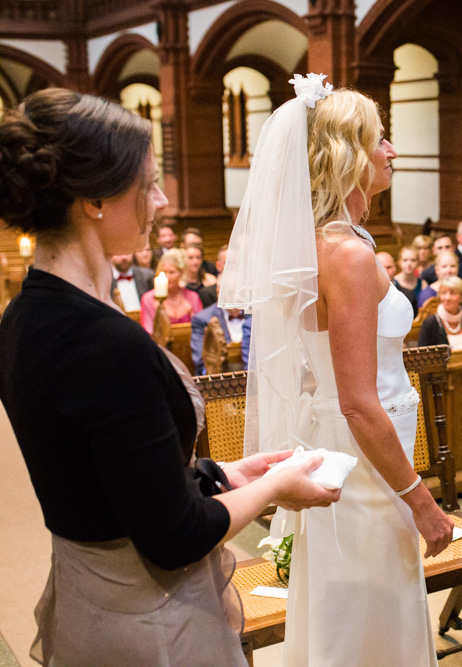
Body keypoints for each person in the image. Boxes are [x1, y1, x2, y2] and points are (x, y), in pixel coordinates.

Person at [0, 87, 340, 666]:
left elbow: (104, 475)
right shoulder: (103, 344)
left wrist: (223, 472)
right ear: (96, 199)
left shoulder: (24, 314)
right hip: (148, 621)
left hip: (87, 596)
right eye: (148, 182)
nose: (159, 199)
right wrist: (274, 489)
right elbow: (174, 537)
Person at [219, 74, 453, 665]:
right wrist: (421, 501)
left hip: (355, 447)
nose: (392, 151)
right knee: (368, 612)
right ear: (348, 154)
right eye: (381, 139)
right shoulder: (347, 252)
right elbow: (357, 400)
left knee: (350, 608)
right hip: (367, 462)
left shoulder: (328, 241)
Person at [140, 248, 203, 332]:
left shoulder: (192, 297)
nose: (167, 277)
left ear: (181, 273)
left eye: (172, 272)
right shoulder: (148, 299)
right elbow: (148, 331)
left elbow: (200, 328)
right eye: (163, 272)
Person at [417, 276, 462, 349]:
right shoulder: (429, 324)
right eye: (443, 293)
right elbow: (423, 357)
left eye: (452, 293)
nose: (447, 298)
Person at [190, 302, 251, 375]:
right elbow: (200, 358)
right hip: (218, 376)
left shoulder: (255, 314)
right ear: (219, 294)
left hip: (249, 374)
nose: (236, 300)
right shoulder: (202, 319)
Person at [417, 250, 462, 314]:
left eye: (453, 266)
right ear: (437, 270)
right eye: (444, 266)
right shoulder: (426, 294)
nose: (449, 270)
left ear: (458, 268)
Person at [393, 245, 427, 316]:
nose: (409, 264)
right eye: (405, 260)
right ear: (399, 262)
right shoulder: (393, 283)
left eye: (413, 260)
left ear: (418, 262)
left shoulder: (423, 284)